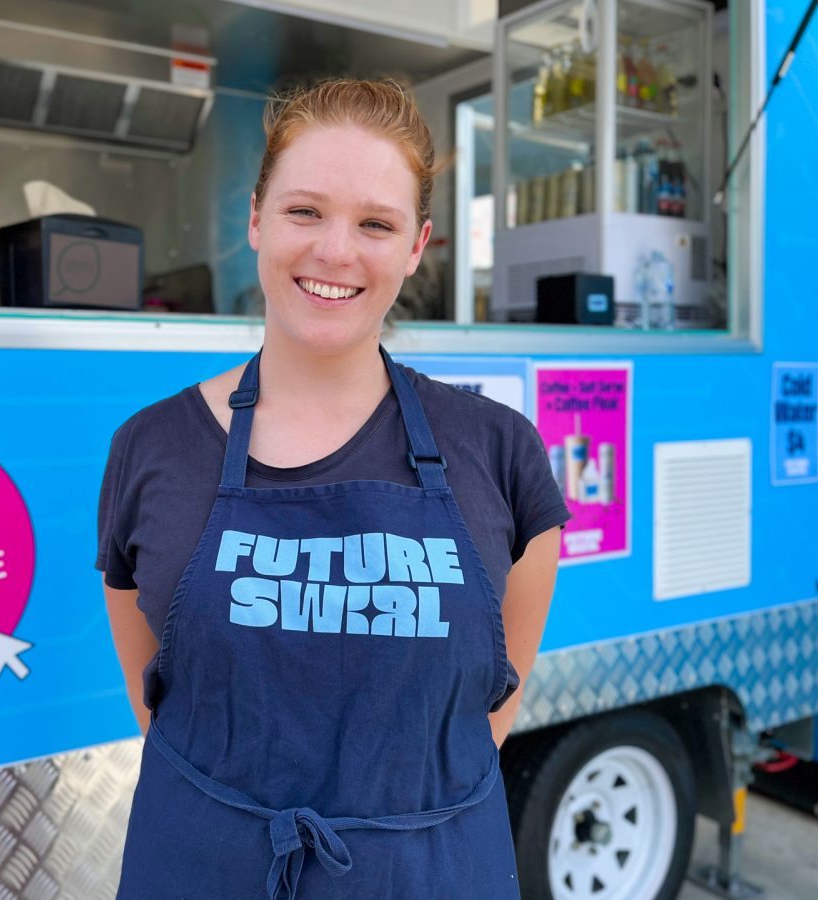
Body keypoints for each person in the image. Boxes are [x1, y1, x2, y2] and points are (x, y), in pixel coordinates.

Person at [96, 79, 569, 899]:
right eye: (304, 211)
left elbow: (496, 706)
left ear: (417, 245)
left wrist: (400, 820)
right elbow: (160, 704)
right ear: (255, 219)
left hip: (430, 873)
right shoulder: (151, 449)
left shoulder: (501, 454)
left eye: (376, 224)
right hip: (201, 866)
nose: (335, 251)